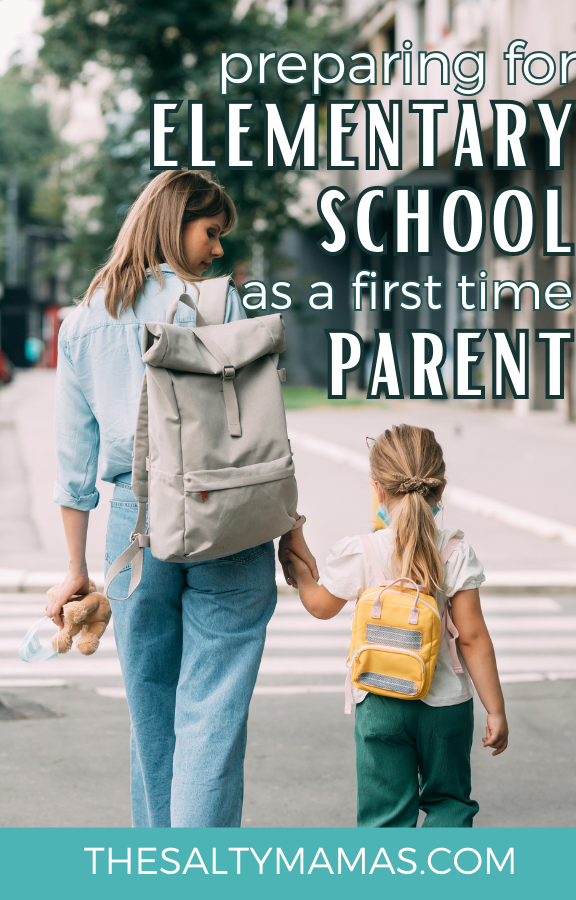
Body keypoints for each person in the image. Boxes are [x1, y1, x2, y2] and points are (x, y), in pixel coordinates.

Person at [45, 169, 317, 828]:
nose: (217, 249)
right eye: (211, 231)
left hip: (133, 528)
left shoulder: (84, 323)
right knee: (212, 718)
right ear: (173, 223)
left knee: (152, 717)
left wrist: (76, 570)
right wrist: (291, 527)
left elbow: (73, 467)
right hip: (226, 516)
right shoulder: (225, 306)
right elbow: (260, 434)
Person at [286, 424, 508, 828]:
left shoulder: (363, 551)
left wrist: (302, 575)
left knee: (385, 818)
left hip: (381, 701)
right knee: (450, 805)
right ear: (440, 490)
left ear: (378, 491)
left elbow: (320, 606)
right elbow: (473, 639)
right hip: (446, 708)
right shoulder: (455, 551)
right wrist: (496, 708)